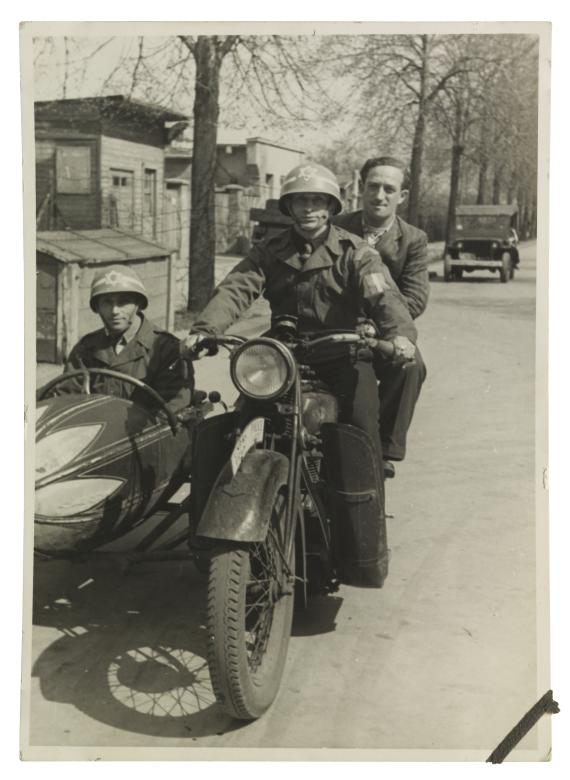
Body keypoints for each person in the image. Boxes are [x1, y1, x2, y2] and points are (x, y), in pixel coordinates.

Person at [182, 163, 417, 469]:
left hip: (343, 355)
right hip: (283, 355)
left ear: (331, 206)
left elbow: (383, 297)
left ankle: (364, 511)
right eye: (300, 201)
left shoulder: (357, 253)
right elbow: (236, 289)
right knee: (238, 425)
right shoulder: (269, 250)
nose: (308, 209)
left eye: (317, 201)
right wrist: (204, 329)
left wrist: (399, 334)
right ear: (289, 207)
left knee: (361, 436)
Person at [334, 156, 429, 477]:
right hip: (334, 326)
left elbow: (415, 298)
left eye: (390, 189)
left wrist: (378, 325)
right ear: (362, 188)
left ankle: (383, 449)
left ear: (401, 196)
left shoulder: (413, 240)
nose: (380, 195)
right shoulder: (336, 227)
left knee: (411, 365)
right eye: (373, 186)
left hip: (382, 333)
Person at [52, 265, 192, 413]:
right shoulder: (86, 348)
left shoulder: (167, 348)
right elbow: (66, 396)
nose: (115, 311)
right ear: (97, 307)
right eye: (107, 302)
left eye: (123, 302)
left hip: (143, 432)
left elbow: (170, 408)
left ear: (138, 304)